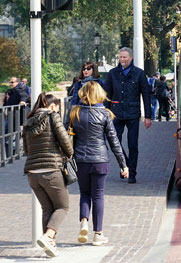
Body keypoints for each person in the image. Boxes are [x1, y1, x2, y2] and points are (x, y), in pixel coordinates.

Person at [70, 81, 129, 246]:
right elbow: (114, 142)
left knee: (84, 193)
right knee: (98, 196)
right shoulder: (105, 114)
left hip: (80, 160)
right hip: (100, 160)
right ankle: (98, 234)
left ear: (83, 94)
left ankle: (83, 222)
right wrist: (123, 164)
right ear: (99, 95)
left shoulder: (74, 113)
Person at [22, 93, 73, 258]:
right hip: (51, 170)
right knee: (62, 206)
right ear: (52, 106)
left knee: (47, 208)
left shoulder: (28, 121)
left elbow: (26, 149)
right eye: (57, 108)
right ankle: (48, 236)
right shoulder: (52, 116)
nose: (57, 111)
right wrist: (70, 153)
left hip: (32, 173)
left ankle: (50, 245)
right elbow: (64, 139)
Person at [104, 47, 151, 183]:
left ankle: (132, 174)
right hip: (116, 113)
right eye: (121, 57)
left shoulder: (139, 73)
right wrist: (105, 112)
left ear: (131, 58)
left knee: (132, 145)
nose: (122, 60)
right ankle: (124, 166)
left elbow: (146, 95)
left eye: (125, 57)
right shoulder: (113, 73)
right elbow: (107, 94)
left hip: (133, 114)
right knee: (114, 142)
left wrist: (148, 117)